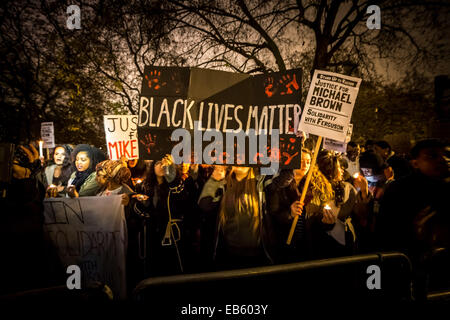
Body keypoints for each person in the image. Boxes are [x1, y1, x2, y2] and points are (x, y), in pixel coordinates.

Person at [377, 139, 449, 300]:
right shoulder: (400, 190)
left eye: (445, 155)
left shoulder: (445, 188)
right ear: (415, 163)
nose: (442, 160)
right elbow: (386, 232)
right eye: (432, 156)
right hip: (408, 268)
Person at [198, 165, 275, 270]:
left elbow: (281, 177)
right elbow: (204, 205)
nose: (239, 161)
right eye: (236, 157)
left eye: (243, 156)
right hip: (229, 254)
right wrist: (214, 180)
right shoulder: (223, 183)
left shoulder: (261, 178)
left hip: (258, 254)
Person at [132, 155, 196, 276]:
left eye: (165, 163)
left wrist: (171, 177)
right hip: (151, 234)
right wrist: (143, 204)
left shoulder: (176, 185)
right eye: (158, 163)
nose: (161, 166)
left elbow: (182, 200)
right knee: (153, 268)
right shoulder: (144, 186)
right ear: (152, 167)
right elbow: (136, 211)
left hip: (170, 233)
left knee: (171, 268)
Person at [265, 148, 312, 263]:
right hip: (284, 242)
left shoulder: (313, 185)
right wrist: (290, 214)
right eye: (300, 160)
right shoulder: (280, 185)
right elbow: (273, 214)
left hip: (306, 244)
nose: (305, 165)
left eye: (308, 161)